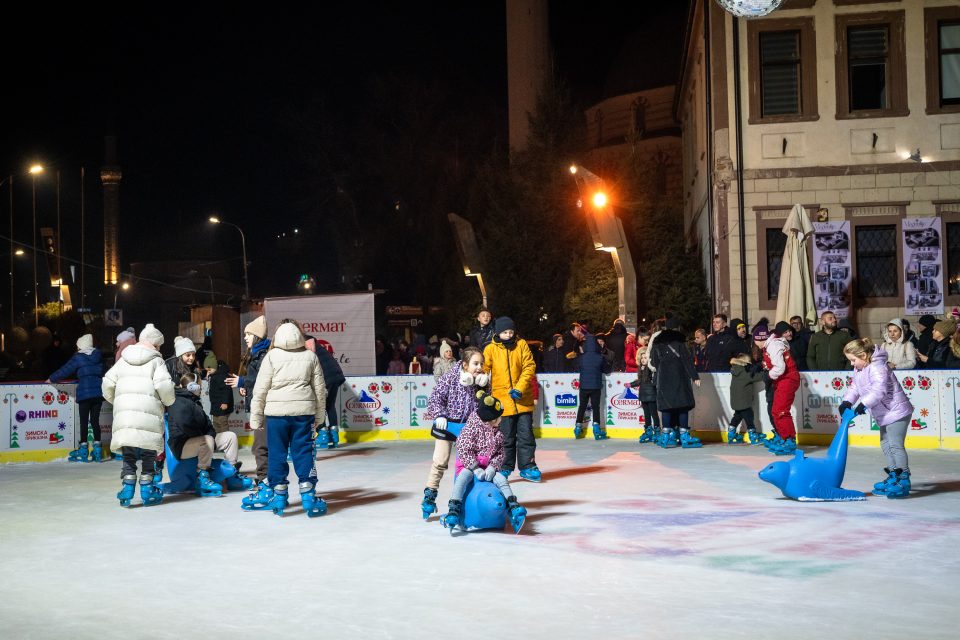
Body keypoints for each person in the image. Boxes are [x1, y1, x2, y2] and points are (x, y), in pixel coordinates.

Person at [247, 320, 327, 517]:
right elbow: (319, 390)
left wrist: (255, 419)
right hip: (303, 414)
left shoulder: (271, 356)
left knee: (277, 453)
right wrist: (319, 418)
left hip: (276, 416)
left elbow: (260, 390)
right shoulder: (310, 357)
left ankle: (279, 494)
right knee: (303, 452)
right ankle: (308, 494)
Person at [101, 324, 176, 507]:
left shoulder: (123, 359)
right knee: (148, 453)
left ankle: (127, 488)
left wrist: (118, 401)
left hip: (125, 416)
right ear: (156, 345)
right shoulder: (156, 361)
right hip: (148, 415)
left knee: (129, 455)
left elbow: (107, 383)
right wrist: (169, 402)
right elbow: (164, 387)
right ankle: (147, 488)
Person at [441, 391, 527, 534]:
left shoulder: (497, 432)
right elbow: (463, 449)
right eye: (499, 418)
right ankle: (454, 508)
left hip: (487, 466)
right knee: (463, 477)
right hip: (469, 465)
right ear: (489, 419)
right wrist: (475, 468)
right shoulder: (471, 429)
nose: (501, 420)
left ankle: (512, 506)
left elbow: (500, 453)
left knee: (501, 478)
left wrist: (493, 467)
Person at [840, 339, 914, 499]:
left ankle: (904, 479)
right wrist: (847, 401)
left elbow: (878, 390)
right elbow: (855, 387)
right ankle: (894, 475)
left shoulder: (878, 367)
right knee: (885, 444)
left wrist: (863, 405)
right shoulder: (860, 369)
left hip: (897, 411)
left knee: (895, 445)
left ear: (864, 355)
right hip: (885, 413)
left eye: (853, 360)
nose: (852, 364)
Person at [421, 347, 487, 519]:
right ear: (465, 365)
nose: (479, 367)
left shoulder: (482, 381)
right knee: (440, 461)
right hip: (447, 425)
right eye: (475, 363)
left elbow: (486, 406)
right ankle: (429, 496)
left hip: (468, 428)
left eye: (481, 363)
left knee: (468, 465)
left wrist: (484, 390)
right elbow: (435, 398)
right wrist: (440, 415)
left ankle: (460, 501)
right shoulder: (450, 377)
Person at [483, 317, 540, 482]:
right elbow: (484, 368)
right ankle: (504, 467)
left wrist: (520, 388)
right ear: (498, 332)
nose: (508, 335)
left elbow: (529, 366)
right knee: (505, 437)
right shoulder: (490, 349)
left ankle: (528, 466)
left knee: (526, 435)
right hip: (502, 401)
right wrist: (478, 377)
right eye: (505, 332)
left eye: (511, 332)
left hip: (523, 399)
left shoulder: (521, 344)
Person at [226, 315, 271, 492]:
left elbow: (262, 379)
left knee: (260, 446)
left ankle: (264, 481)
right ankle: (267, 479)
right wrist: (248, 388)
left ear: (257, 335)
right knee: (262, 445)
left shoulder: (262, 354)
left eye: (248, 334)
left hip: (264, 408)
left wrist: (243, 382)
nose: (245, 338)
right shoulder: (257, 353)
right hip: (261, 406)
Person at [165, 373, 229, 497]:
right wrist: (207, 437)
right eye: (199, 385)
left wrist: (210, 436)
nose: (201, 388)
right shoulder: (178, 402)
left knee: (229, 437)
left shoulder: (196, 403)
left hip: (199, 441)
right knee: (206, 440)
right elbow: (186, 427)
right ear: (193, 387)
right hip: (182, 446)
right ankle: (202, 478)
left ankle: (232, 476)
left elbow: (208, 425)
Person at [48, 334, 105, 462]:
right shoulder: (99, 356)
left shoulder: (78, 358)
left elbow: (65, 370)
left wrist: (51, 378)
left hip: (84, 394)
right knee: (95, 421)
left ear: (81, 346)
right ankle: (97, 451)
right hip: (98, 393)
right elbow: (103, 372)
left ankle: (84, 450)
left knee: (84, 421)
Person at [649, 315, 701, 448]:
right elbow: (687, 360)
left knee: (666, 407)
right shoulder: (680, 342)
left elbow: (654, 362)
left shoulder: (657, 341)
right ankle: (684, 436)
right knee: (683, 406)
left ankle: (666, 436)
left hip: (664, 378)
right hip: (680, 377)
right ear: (678, 327)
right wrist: (694, 377)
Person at [756, 321, 801, 455]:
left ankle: (789, 440)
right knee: (776, 410)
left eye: (755, 340)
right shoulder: (770, 345)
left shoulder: (773, 345)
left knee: (780, 410)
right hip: (783, 380)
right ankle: (783, 437)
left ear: (759, 339)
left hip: (788, 379)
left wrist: (768, 376)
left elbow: (780, 368)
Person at [306, 336, 346, 449]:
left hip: (326, 377)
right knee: (330, 405)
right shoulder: (318, 346)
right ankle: (334, 436)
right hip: (336, 376)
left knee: (318, 405)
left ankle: (323, 434)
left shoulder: (306, 348)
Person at [575, 334, 610, 440]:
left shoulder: (581, 358)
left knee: (582, 406)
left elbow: (577, 368)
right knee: (596, 407)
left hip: (584, 386)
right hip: (595, 386)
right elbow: (607, 370)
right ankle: (596, 429)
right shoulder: (600, 357)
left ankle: (577, 427)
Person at [727, 354, 764, 445]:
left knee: (737, 416)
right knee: (749, 417)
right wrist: (767, 372)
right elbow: (757, 377)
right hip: (744, 401)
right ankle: (753, 436)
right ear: (745, 363)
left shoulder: (735, 370)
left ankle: (731, 434)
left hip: (736, 401)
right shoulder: (744, 372)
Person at [629, 348, 658, 443]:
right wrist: (631, 384)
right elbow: (640, 380)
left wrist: (632, 384)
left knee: (654, 414)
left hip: (651, 394)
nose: (643, 360)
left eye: (645, 358)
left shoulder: (651, 368)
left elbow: (645, 380)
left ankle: (657, 432)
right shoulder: (640, 368)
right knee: (646, 414)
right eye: (642, 358)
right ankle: (648, 430)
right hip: (643, 394)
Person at [208, 359, 234, 434]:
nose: (208, 370)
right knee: (216, 423)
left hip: (222, 405)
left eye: (210, 368)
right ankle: (218, 439)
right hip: (216, 405)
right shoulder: (215, 375)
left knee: (222, 422)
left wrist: (225, 402)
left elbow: (226, 389)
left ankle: (226, 440)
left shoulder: (221, 376)